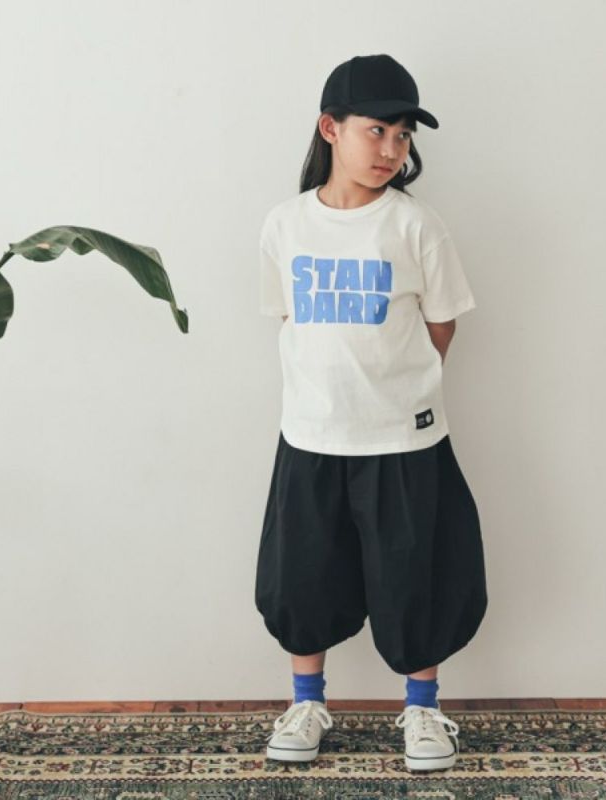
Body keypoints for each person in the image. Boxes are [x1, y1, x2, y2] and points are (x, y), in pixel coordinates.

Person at [254, 53, 488, 773]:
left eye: (404, 134)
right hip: (312, 433)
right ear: (331, 128)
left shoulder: (416, 226)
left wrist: (397, 390)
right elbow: (289, 320)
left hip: (403, 439)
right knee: (302, 576)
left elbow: (442, 324)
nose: (392, 149)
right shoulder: (286, 224)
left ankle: (422, 711)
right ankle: (306, 701)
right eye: (376, 130)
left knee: (415, 574)